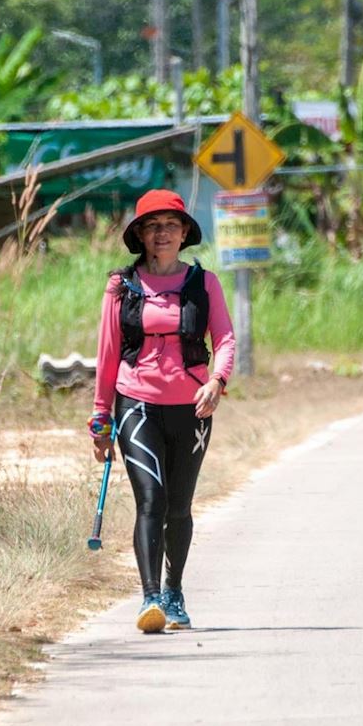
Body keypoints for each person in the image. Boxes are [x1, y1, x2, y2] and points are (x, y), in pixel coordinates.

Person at [91, 189, 236, 634]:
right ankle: (150, 597)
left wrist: (217, 381)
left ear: (185, 233)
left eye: (170, 226)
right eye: (152, 226)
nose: (162, 233)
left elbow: (225, 340)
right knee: (151, 500)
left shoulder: (203, 283)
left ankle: (174, 593)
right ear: (139, 235)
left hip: (191, 408)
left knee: (180, 506)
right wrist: (100, 415)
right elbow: (108, 353)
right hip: (136, 403)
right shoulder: (122, 286)